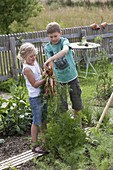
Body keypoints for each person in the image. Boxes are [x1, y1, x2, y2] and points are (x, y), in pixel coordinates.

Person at [44, 22, 83, 117]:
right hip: (59, 79)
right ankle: (65, 122)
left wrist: (52, 58)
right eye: (51, 37)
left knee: (76, 100)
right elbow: (51, 64)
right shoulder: (48, 47)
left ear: (60, 34)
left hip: (72, 76)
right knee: (62, 103)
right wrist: (48, 71)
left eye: (55, 36)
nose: (53, 39)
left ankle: (78, 122)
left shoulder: (64, 41)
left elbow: (65, 51)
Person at [17, 42, 48, 153]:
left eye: (35, 55)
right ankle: (34, 145)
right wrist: (45, 80)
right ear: (24, 57)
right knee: (37, 120)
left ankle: (45, 142)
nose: (34, 58)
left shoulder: (35, 63)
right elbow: (35, 84)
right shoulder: (27, 69)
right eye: (31, 56)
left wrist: (47, 73)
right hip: (35, 98)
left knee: (44, 119)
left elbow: (41, 73)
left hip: (42, 95)